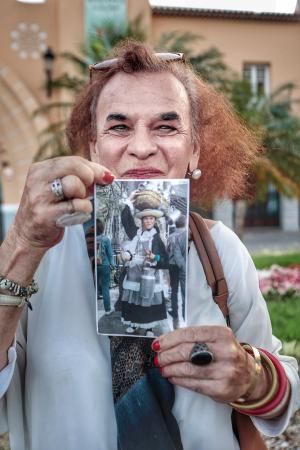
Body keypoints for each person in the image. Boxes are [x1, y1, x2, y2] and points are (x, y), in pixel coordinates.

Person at [0, 41, 299, 450]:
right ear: (93, 147)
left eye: (166, 126)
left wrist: (252, 376)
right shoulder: (43, 255)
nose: (141, 146)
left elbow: (280, 389)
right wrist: (20, 245)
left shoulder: (221, 250)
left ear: (194, 150)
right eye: (119, 126)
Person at [120, 203, 169, 337]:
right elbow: (126, 221)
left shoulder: (156, 238)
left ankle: (149, 329)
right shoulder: (136, 234)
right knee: (134, 297)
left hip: (149, 273)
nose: (148, 221)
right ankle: (133, 324)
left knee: (148, 299)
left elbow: (165, 259)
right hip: (135, 272)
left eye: (151, 219)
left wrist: (155, 256)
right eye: (146, 219)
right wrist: (127, 205)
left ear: (154, 221)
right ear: (142, 221)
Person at [167, 214, 187, 328]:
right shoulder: (186, 236)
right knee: (184, 290)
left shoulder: (171, 236)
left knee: (174, 289)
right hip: (183, 265)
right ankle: (185, 313)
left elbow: (167, 250)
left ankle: (174, 311)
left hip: (172, 265)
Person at [96, 219, 114, 315]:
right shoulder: (106, 239)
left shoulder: (90, 238)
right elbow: (110, 254)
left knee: (93, 287)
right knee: (105, 287)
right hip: (105, 265)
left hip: (93, 265)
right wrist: (113, 266)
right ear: (102, 228)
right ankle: (107, 309)